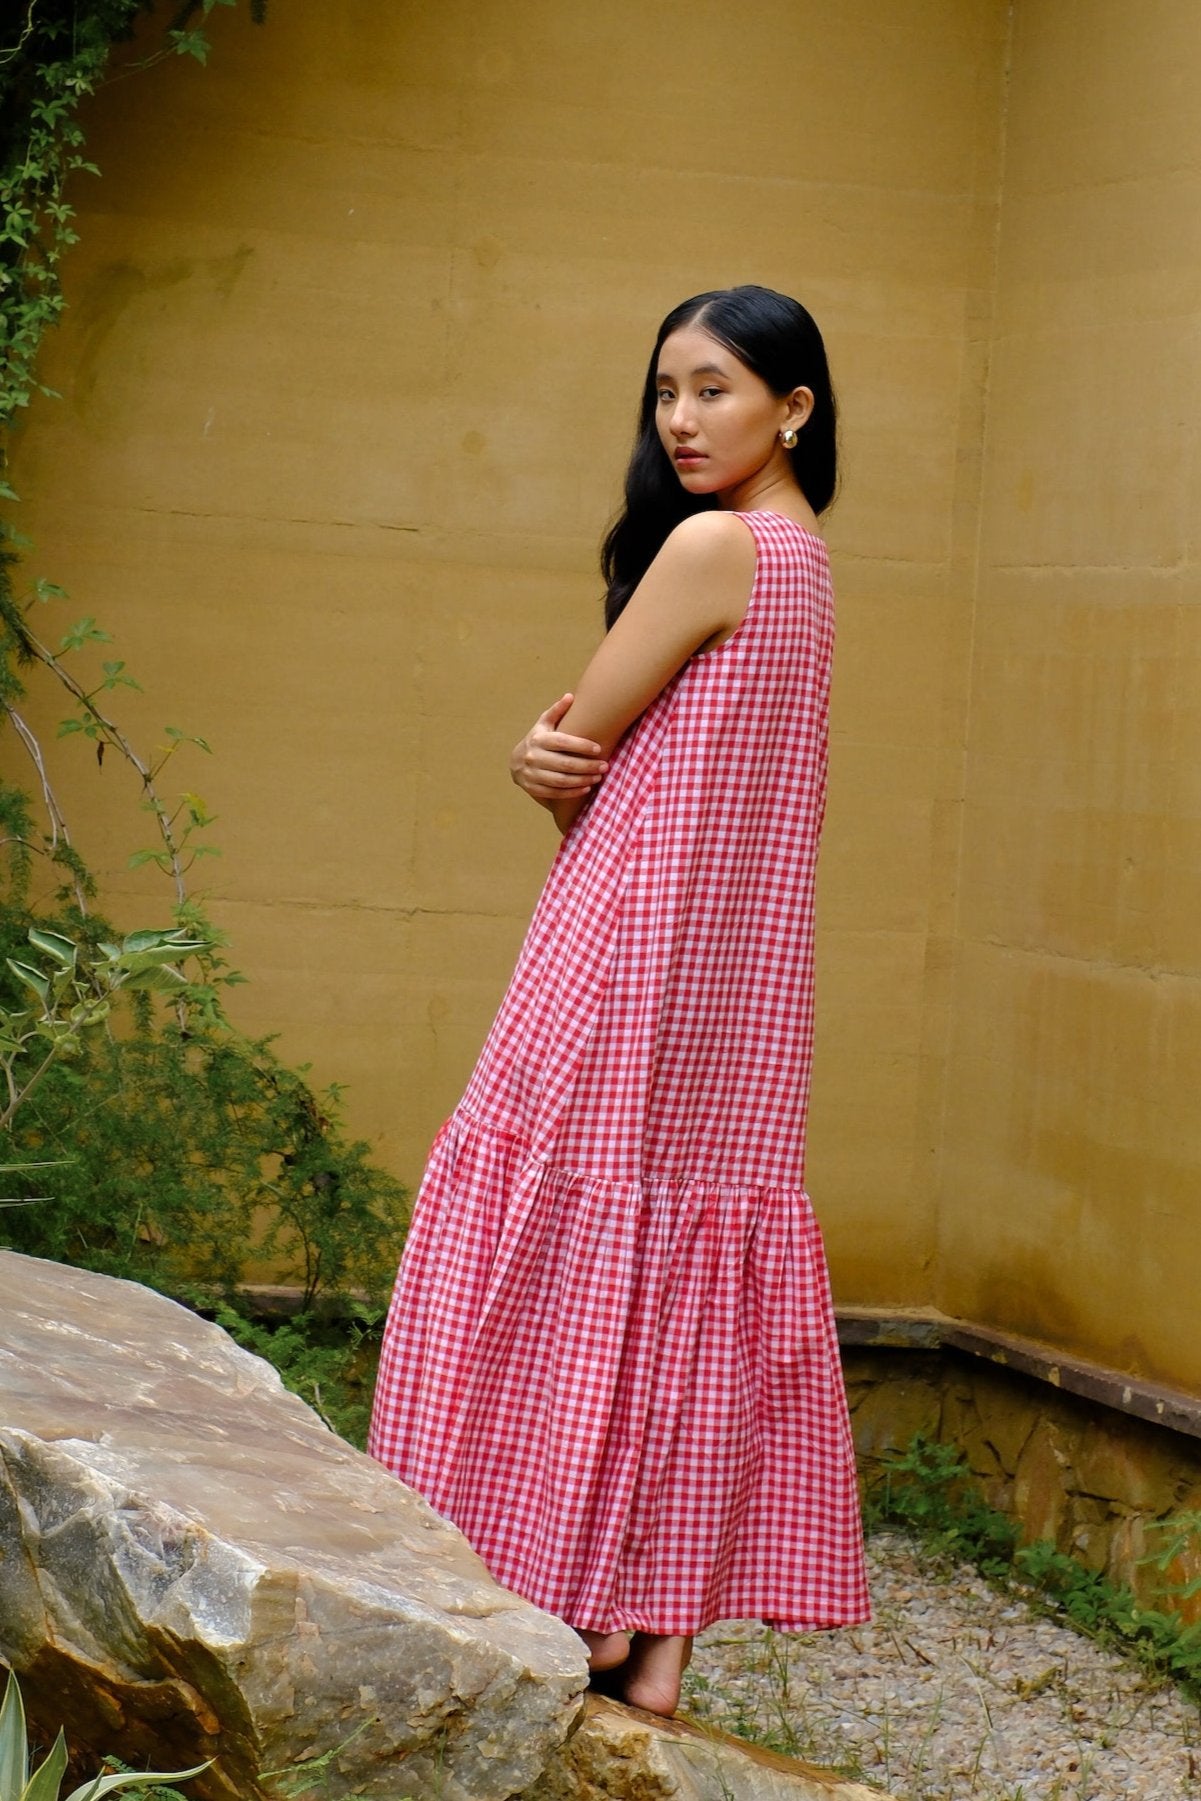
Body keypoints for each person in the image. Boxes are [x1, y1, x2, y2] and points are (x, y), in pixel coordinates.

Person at [369, 285, 870, 1716]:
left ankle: (570, 1595)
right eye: (664, 390)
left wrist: (541, 763)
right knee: (685, 1248)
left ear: (794, 406)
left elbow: (576, 740)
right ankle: (653, 1633)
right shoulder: (810, 564)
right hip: (738, 974)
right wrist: (561, 767)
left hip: (629, 949)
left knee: (569, 1217)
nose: (679, 418)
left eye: (713, 388)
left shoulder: (714, 545)